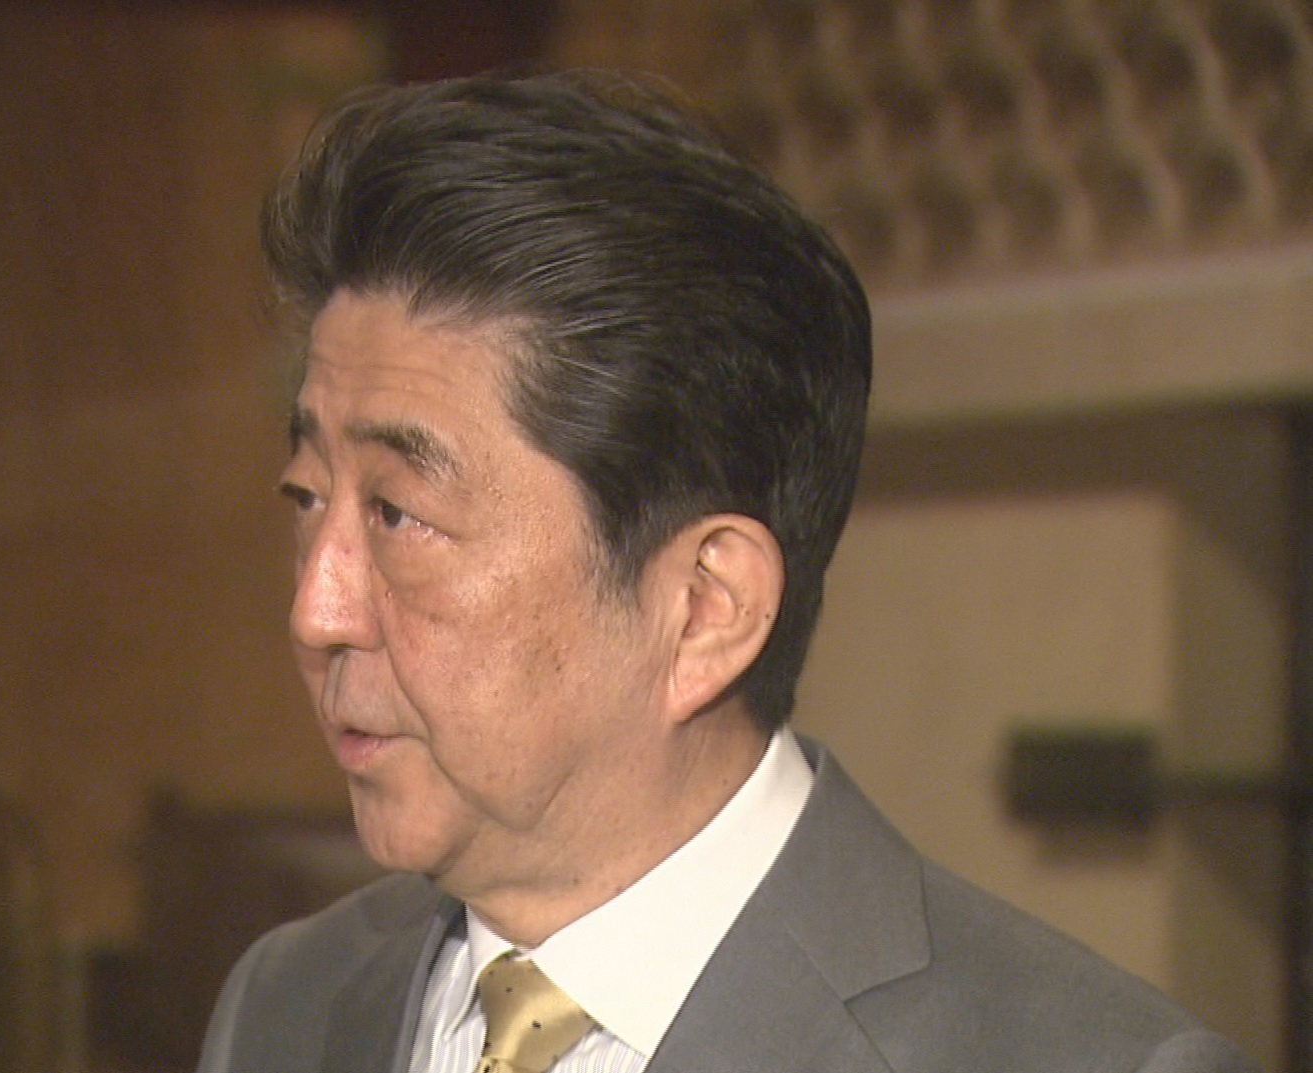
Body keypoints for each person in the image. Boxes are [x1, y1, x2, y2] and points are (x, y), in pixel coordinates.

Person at [196, 70, 1260, 1073]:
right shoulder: (287, 1000)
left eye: (398, 513)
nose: (317, 609)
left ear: (706, 606)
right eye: (306, 497)